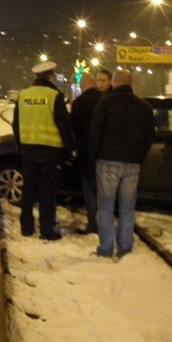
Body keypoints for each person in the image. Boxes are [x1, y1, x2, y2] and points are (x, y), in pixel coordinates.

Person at [88, 69, 155, 258]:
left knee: (106, 207)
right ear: (130, 83)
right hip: (132, 164)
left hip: (107, 162)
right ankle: (125, 248)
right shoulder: (144, 106)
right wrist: (138, 158)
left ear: (115, 82)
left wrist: (93, 157)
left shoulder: (105, 103)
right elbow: (150, 137)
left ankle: (106, 248)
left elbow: (95, 133)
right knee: (127, 208)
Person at [12, 61, 75, 240]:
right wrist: (70, 150)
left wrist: (20, 145)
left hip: (28, 152)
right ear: (50, 77)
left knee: (29, 190)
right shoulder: (54, 96)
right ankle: (46, 230)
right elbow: (64, 126)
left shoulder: (23, 95)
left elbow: (16, 124)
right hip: (50, 153)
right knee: (47, 193)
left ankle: (26, 227)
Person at [70, 72, 103, 234]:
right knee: (103, 190)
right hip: (104, 153)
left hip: (85, 154)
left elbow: (73, 129)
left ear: (83, 86)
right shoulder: (105, 100)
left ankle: (93, 224)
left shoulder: (78, 103)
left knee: (89, 190)